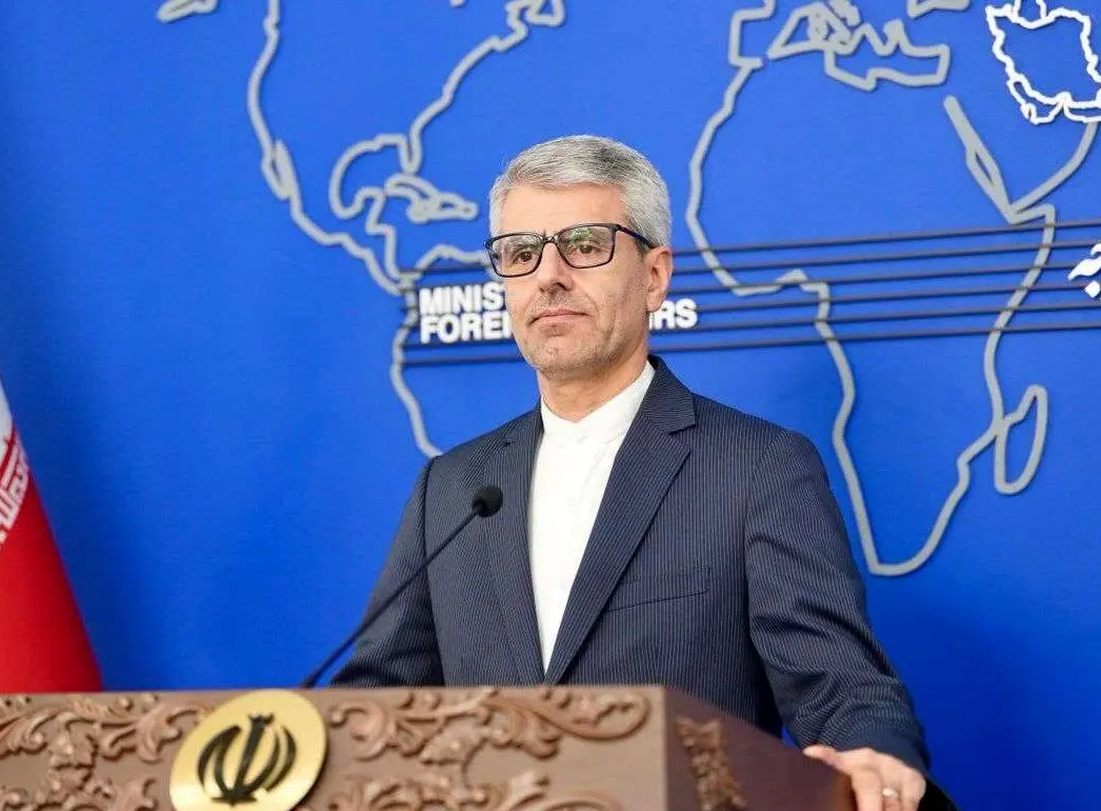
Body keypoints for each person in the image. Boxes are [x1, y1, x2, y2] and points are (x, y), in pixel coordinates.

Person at [333, 135, 951, 811]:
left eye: (584, 244)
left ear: (655, 276)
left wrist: (875, 756)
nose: (549, 275)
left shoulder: (757, 469)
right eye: (521, 252)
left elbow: (839, 686)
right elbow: (375, 707)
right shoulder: (453, 486)